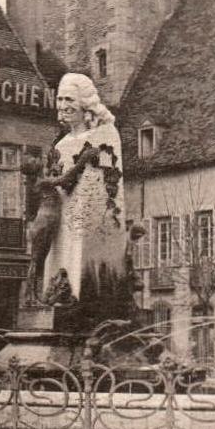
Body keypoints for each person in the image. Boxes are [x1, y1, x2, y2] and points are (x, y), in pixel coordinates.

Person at [36, 73, 126, 303]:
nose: (63, 106)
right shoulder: (61, 144)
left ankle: (79, 296)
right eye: (60, 99)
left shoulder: (105, 134)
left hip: (91, 225)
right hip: (64, 220)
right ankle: (56, 294)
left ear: (85, 104)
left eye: (69, 100)